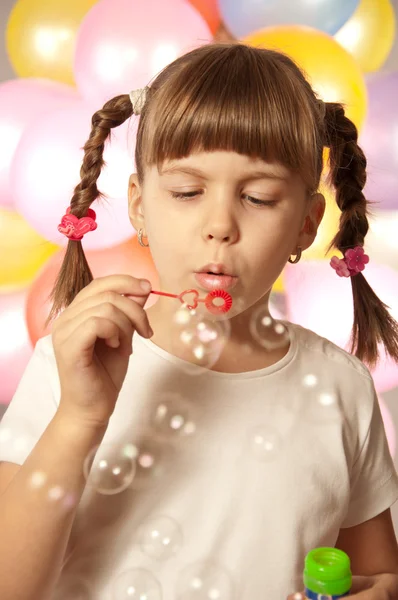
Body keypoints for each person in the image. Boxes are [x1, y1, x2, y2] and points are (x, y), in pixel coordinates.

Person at [0, 42, 398, 600]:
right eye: (187, 191)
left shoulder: (342, 388)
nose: (220, 225)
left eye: (258, 198)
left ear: (307, 225)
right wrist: (81, 417)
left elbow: (380, 576)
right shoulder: (72, 368)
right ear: (138, 206)